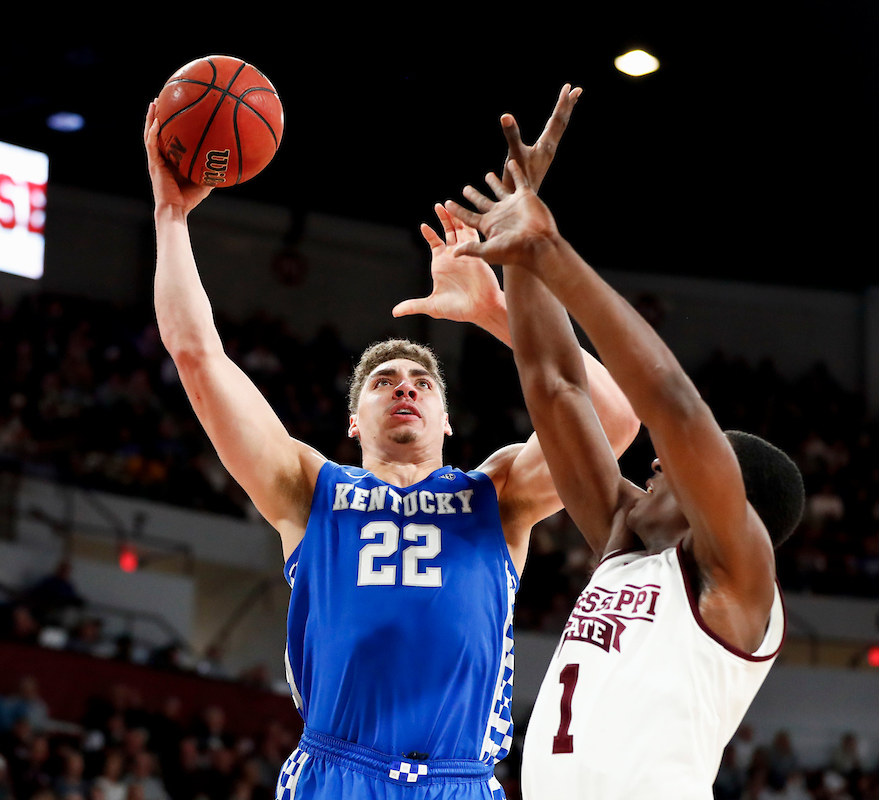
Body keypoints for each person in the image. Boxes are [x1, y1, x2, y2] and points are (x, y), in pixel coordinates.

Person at [144, 87, 639, 799]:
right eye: (381, 381)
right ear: (353, 422)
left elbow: (616, 420)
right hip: (336, 773)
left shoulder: (495, 496)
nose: (403, 386)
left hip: (459, 781)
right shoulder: (310, 490)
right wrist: (169, 216)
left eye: (420, 381)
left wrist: (498, 312)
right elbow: (197, 355)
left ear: (446, 421)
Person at [441, 134, 804, 798]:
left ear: (721, 500)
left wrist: (554, 255)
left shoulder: (737, 583)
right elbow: (555, 387)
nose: (658, 460)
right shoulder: (625, 542)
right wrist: (523, 239)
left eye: (681, 469)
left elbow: (674, 408)